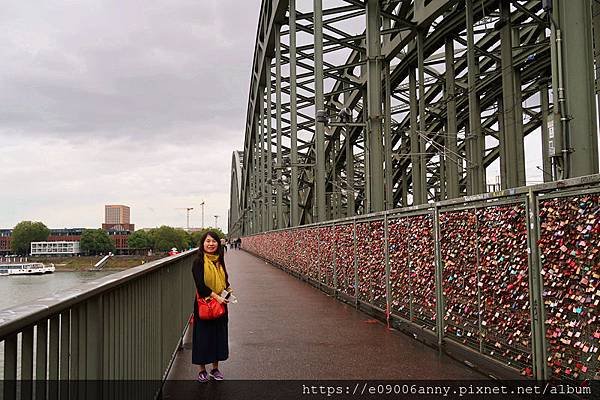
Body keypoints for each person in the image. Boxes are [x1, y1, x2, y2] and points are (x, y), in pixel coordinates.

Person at [191, 231, 231, 382]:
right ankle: (202, 370)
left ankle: (215, 368)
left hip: (220, 303)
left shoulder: (219, 260)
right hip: (205, 303)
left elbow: (225, 280)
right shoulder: (198, 262)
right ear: (202, 244)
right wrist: (218, 298)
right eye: (208, 241)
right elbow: (201, 287)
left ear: (218, 244)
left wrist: (228, 294)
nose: (211, 244)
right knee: (203, 337)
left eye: (214, 241)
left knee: (218, 336)